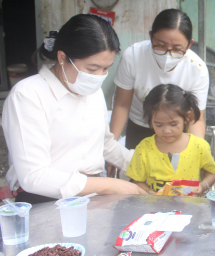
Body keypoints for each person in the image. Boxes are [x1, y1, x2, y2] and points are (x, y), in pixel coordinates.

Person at [2, 14, 147, 204]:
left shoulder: (92, 92)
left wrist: (149, 167)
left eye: (106, 69)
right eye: (92, 69)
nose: (99, 76)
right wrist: (112, 185)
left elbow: (104, 145)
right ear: (63, 57)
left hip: (94, 199)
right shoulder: (28, 95)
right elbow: (34, 177)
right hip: (44, 202)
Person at [110, 9, 209, 151]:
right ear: (151, 36)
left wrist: (199, 152)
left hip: (176, 132)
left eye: (177, 49)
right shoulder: (133, 56)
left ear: (189, 44)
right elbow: (122, 105)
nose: (167, 54)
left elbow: (195, 119)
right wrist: (111, 147)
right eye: (160, 46)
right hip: (140, 127)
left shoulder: (197, 69)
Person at [126, 84, 215, 196]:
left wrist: (203, 186)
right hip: (156, 210)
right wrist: (150, 193)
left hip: (191, 208)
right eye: (158, 125)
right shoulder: (144, 148)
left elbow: (213, 172)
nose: (166, 131)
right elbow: (138, 181)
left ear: (187, 117)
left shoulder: (199, 146)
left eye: (173, 124)